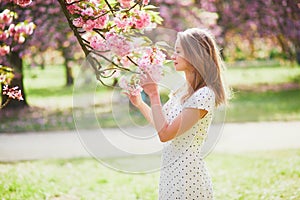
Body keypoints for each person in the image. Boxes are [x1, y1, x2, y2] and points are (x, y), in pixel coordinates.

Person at [126, 28, 229, 199]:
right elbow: (162, 125)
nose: (173, 56)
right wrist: (140, 103)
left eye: (178, 51)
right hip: (171, 174)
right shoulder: (183, 90)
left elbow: (165, 134)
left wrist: (153, 94)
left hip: (187, 179)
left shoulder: (204, 95)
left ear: (194, 55)